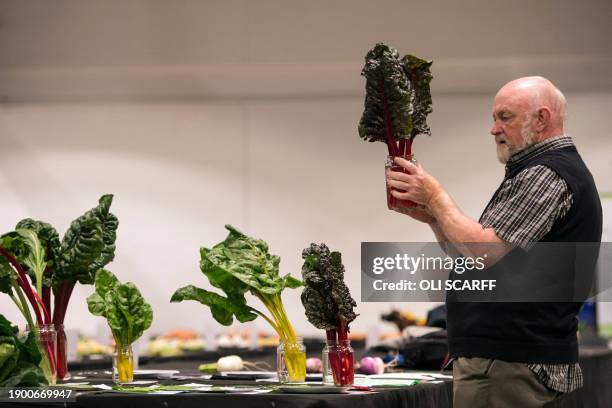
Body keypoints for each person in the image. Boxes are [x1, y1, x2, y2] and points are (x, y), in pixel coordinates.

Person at [386, 76, 602, 408]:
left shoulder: (546, 174)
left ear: (541, 119)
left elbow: (482, 251)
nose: (494, 128)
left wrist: (435, 195)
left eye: (505, 117)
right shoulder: (537, 171)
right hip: (506, 360)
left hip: (507, 362)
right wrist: (433, 215)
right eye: (494, 118)